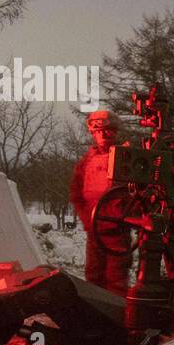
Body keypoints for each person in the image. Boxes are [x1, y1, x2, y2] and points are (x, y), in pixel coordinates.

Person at [69, 110, 131, 293]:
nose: (104, 134)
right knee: (93, 276)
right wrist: (88, 220)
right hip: (94, 230)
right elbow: (77, 195)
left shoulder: (127, 158)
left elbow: (138, 194)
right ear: (93, 133)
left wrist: (123, 216)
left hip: (117, 231)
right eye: (99, 131)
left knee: (116, 280)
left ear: (116, 131)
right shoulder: (86, 162)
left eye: (109, 130)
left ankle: (116, 316)